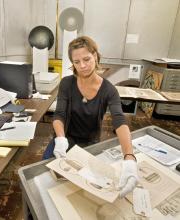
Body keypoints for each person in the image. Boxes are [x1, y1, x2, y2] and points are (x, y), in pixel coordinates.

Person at [43, 36, 138, 197]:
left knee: (80, 192)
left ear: (95, 55)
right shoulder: (66, 83)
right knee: (45, 181)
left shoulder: (109, 90)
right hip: (62, 141)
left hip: (89, 145)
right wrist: (59, 138)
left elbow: (119, 121)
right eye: (76, 62)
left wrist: (129, 156)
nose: (83, 66)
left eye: (86, 59)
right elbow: (59, 114)